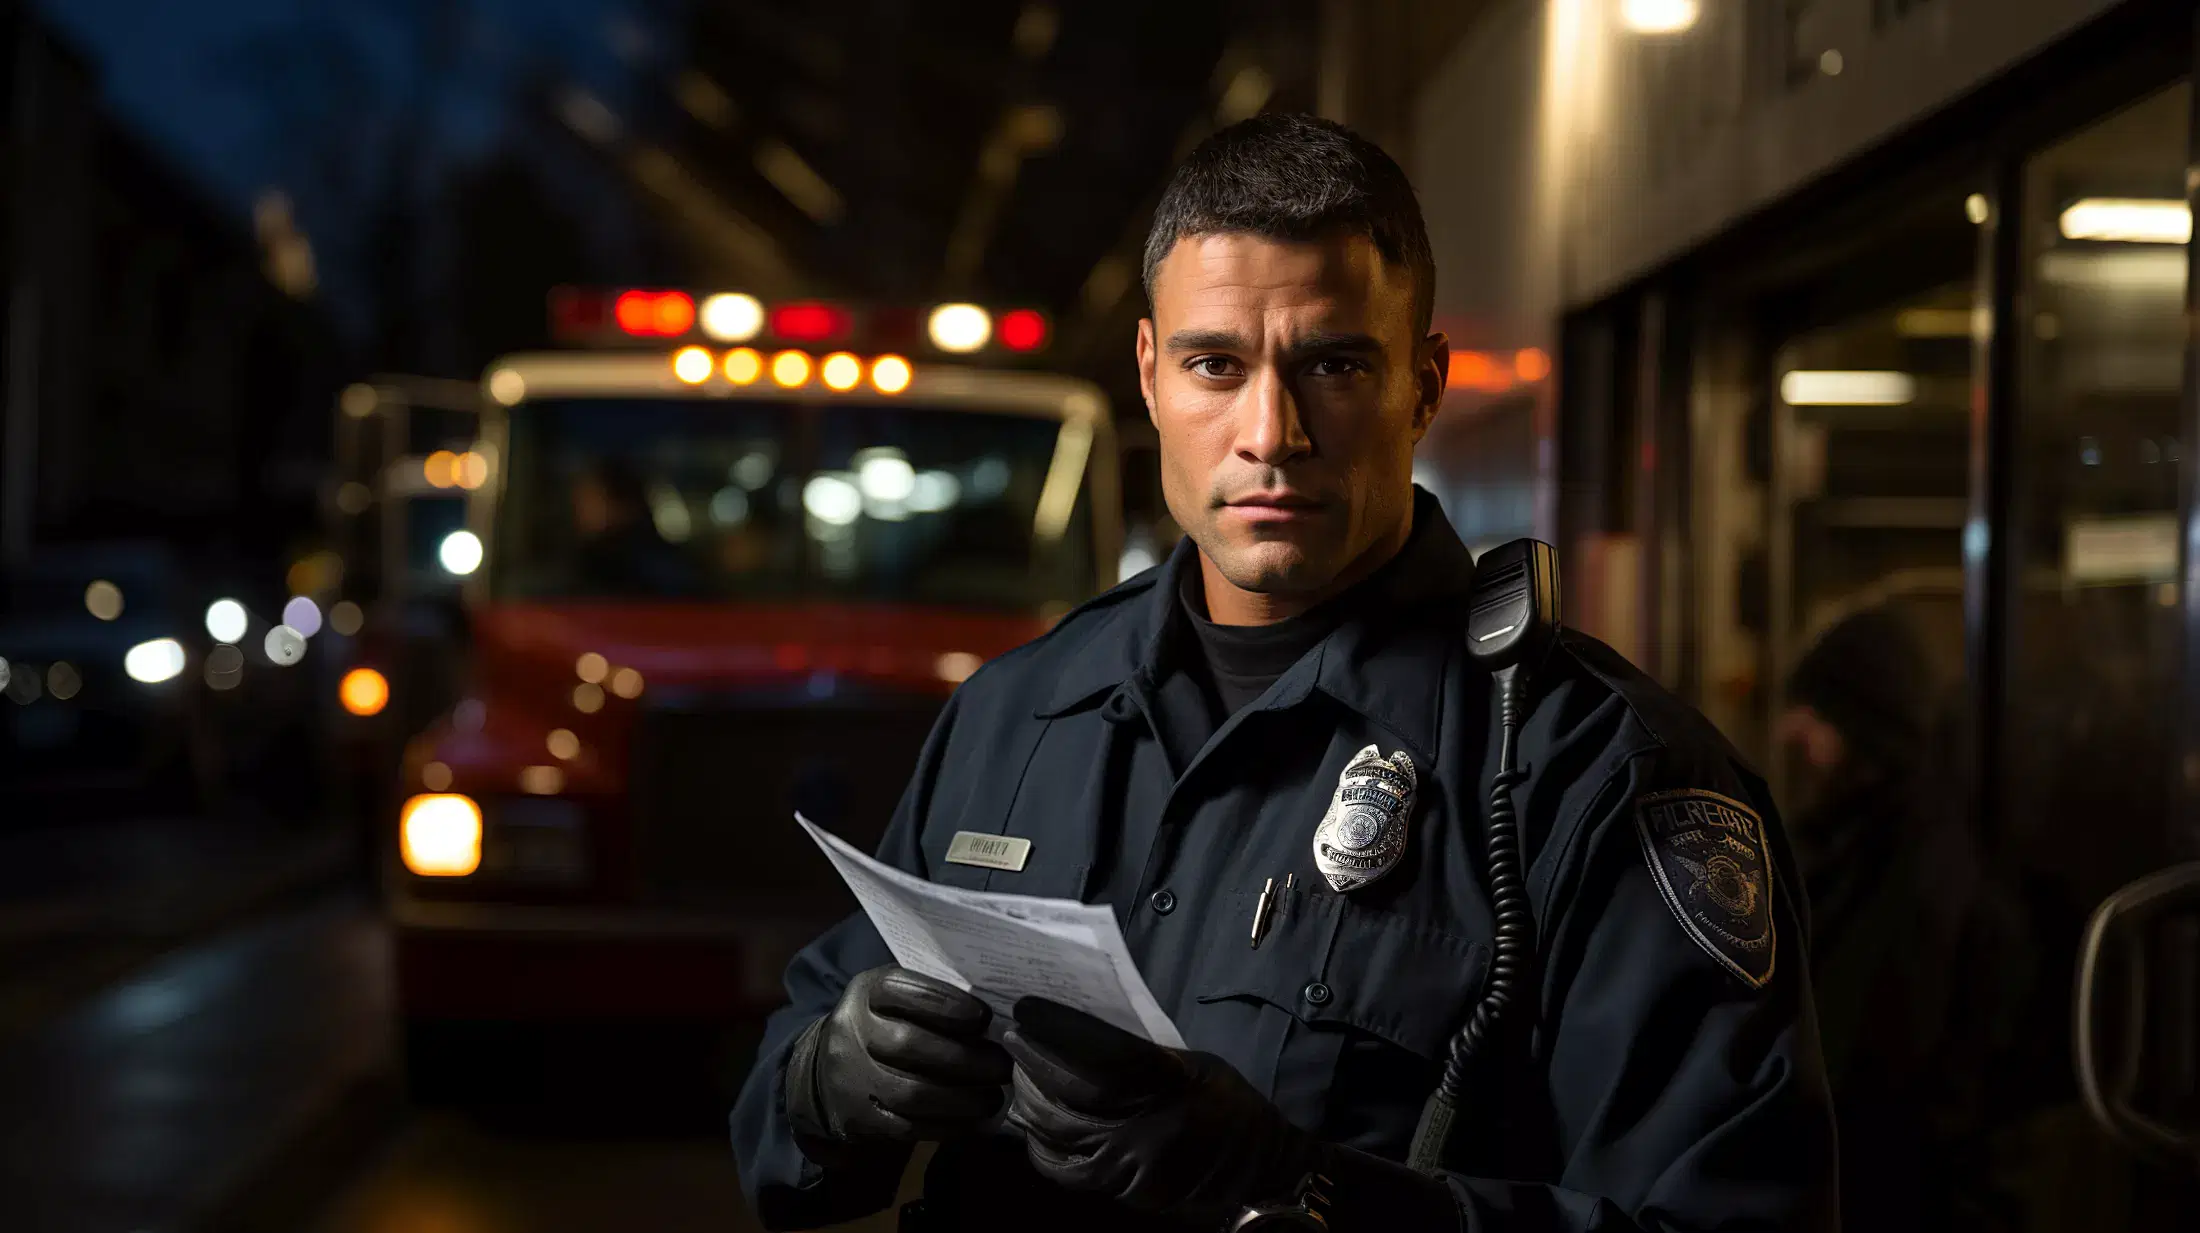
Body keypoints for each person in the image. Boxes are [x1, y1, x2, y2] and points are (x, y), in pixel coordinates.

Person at [730, 114, 1837, 1232]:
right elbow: (786, 1106)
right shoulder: (1016, 713)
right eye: (1218, 364)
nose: (1272, 431)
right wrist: (830, 1082)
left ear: (1422, 385)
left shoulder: (1595, 773)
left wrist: (1296, 1188)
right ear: (1153, 378)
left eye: (1334, 365)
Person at [1778, 606, 2024, 1232]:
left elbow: (1866, 1075)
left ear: (1865, 725)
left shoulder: (1912, 876)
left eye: (1817, 713)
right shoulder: (1853, 844)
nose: (1792, 732)